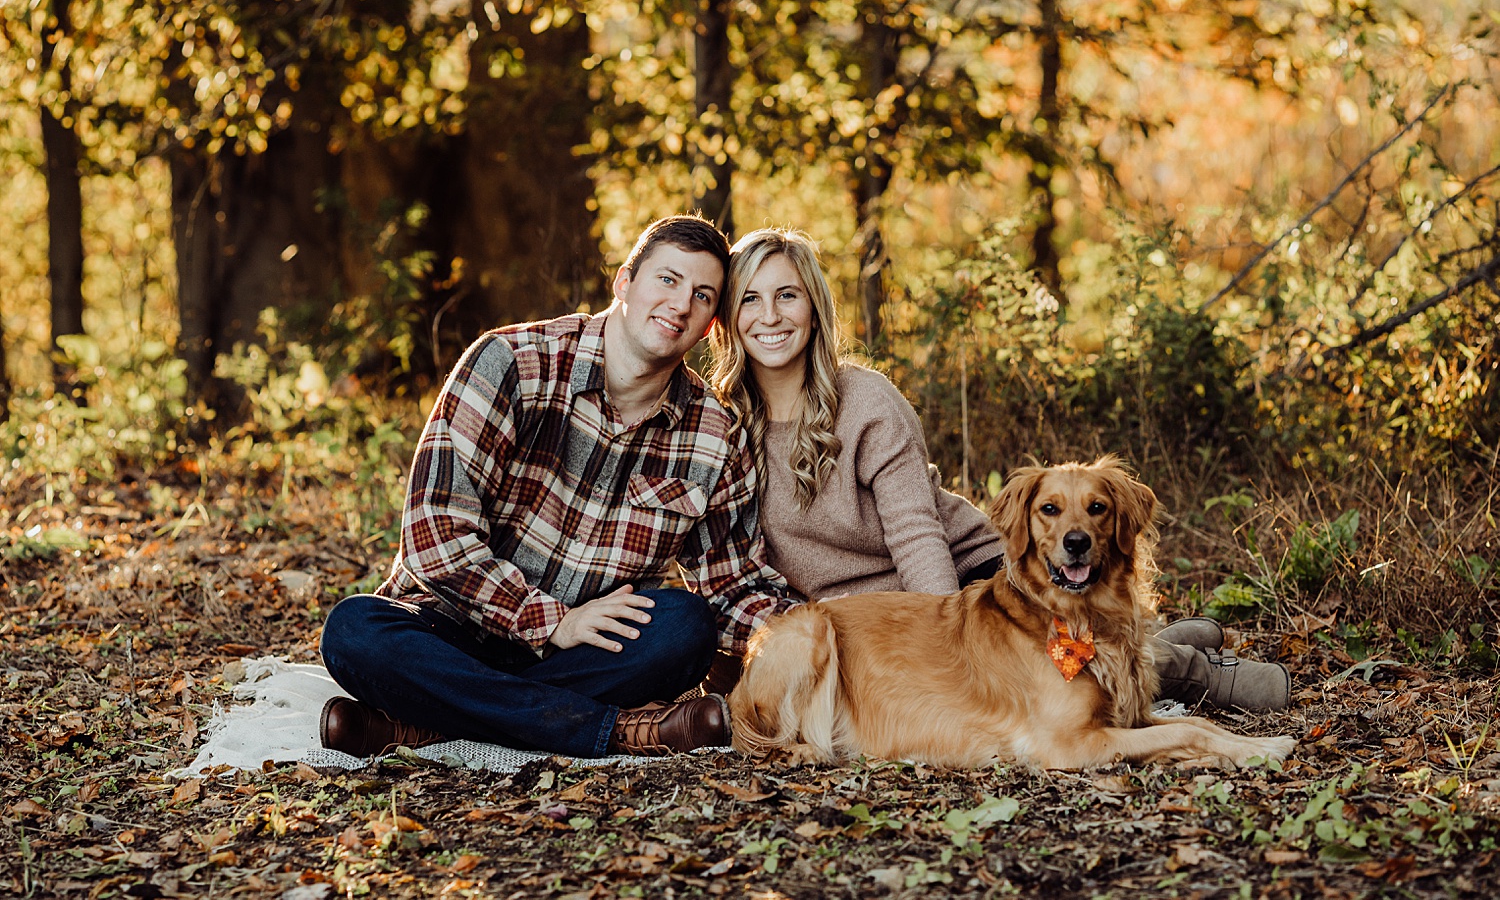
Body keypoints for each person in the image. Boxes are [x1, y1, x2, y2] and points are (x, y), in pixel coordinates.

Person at [706, 228, 1290, 712]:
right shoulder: (722, 422)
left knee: (1072, 664)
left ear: (814, 307)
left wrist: (946, 641)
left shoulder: (865, 402)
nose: (770, 316)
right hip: (866, 624)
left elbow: (917, 535)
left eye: (787, 295)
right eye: (751, 299)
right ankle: (1160, 636)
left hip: (964, 584)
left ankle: (1193, 670)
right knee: (1071, 657)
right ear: (730, 318)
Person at [317, 215, 799, 760]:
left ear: (712, 322)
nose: (680, 305)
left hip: (587, 655)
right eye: (667, 280)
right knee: (354, 630)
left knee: (685, 628)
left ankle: (423, 727)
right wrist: (551, 622)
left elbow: (731, 585)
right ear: (624, 281)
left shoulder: (715, 433)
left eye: (702, 295)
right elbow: (436, 534)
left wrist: (823, 637)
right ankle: (614, 731)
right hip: (448, 628)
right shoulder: (512, 362)